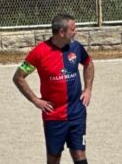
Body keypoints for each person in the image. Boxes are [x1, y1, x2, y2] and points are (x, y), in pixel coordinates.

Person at [13, 14, 95, 164]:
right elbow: (18, 77)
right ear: (62, 32)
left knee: (79, 153)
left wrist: (88, 89)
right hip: (54, 116)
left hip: (77, 112)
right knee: (54, 157)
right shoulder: (38, 53)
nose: (75, 31)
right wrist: (35, 100)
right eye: (73, 29)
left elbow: (88, 64)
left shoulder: (76, 47)